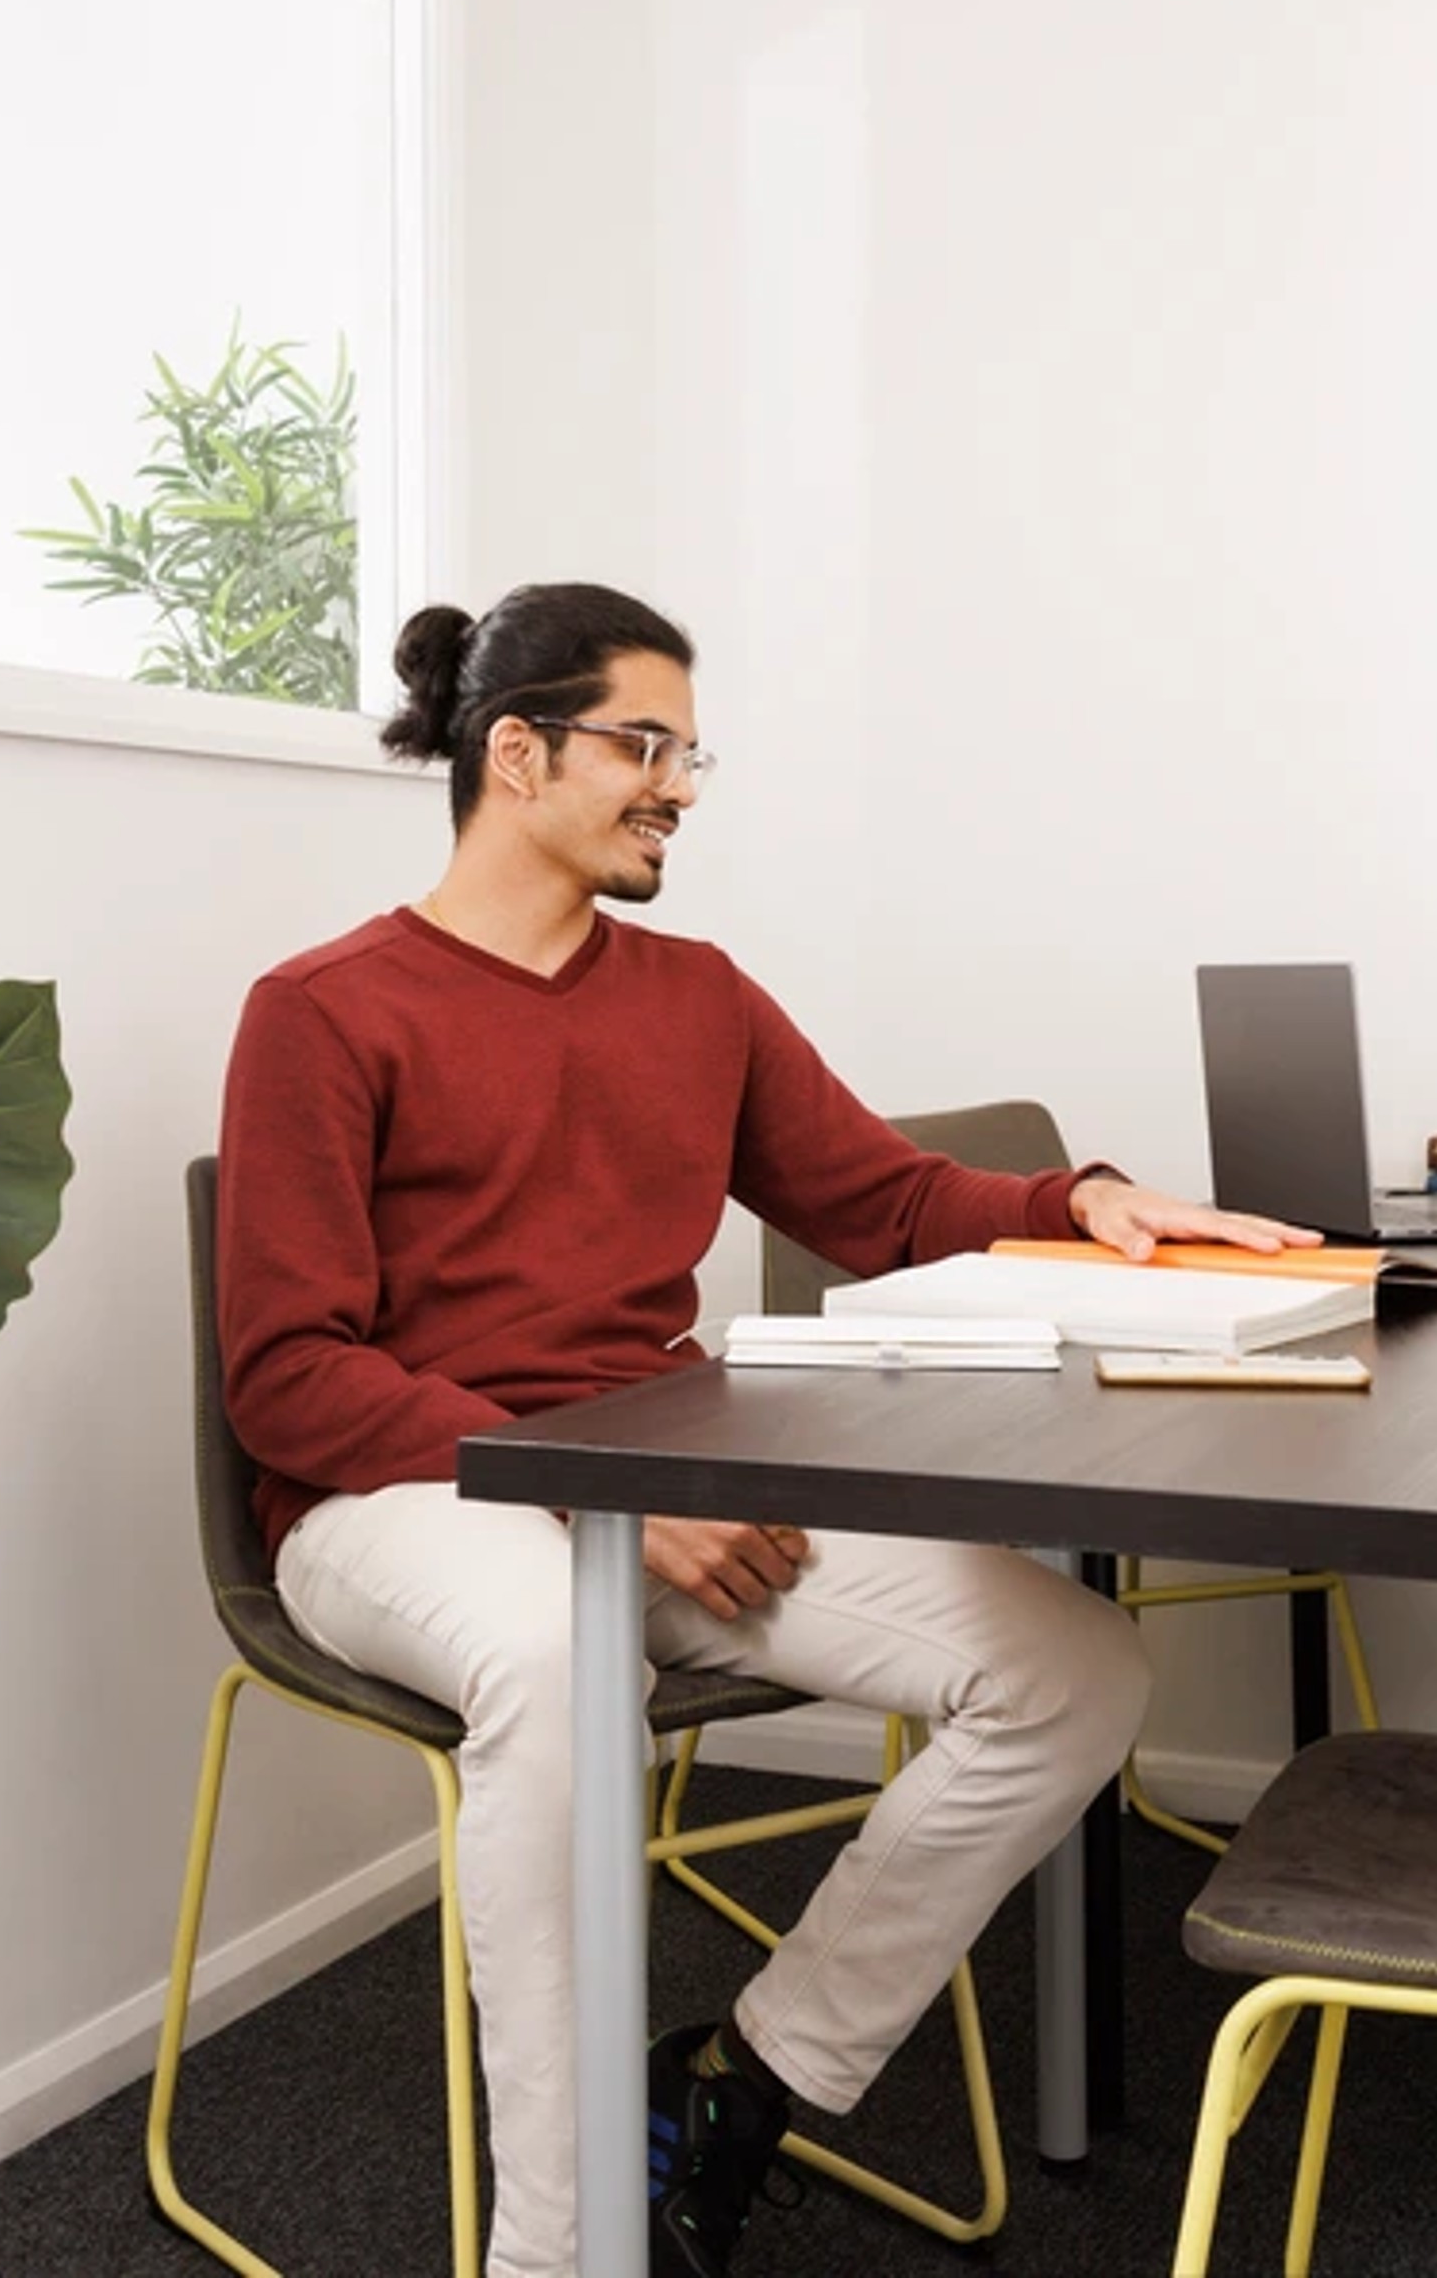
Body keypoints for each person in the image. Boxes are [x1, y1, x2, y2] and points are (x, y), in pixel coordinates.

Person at [217, 583, 1311, 2278]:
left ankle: (751, 2077)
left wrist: (1080, 1197)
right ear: (517, 752)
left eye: (690, 748)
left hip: (655, 1488)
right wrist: (604, 1509)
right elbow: (289, 1373)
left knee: (1075, 1673)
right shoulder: (326, 1007)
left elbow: (879, 1195)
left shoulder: (697, 996)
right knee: (555, 1656)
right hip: (393, 1500)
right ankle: (561, 2250)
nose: (681, 784)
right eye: (644, 745)